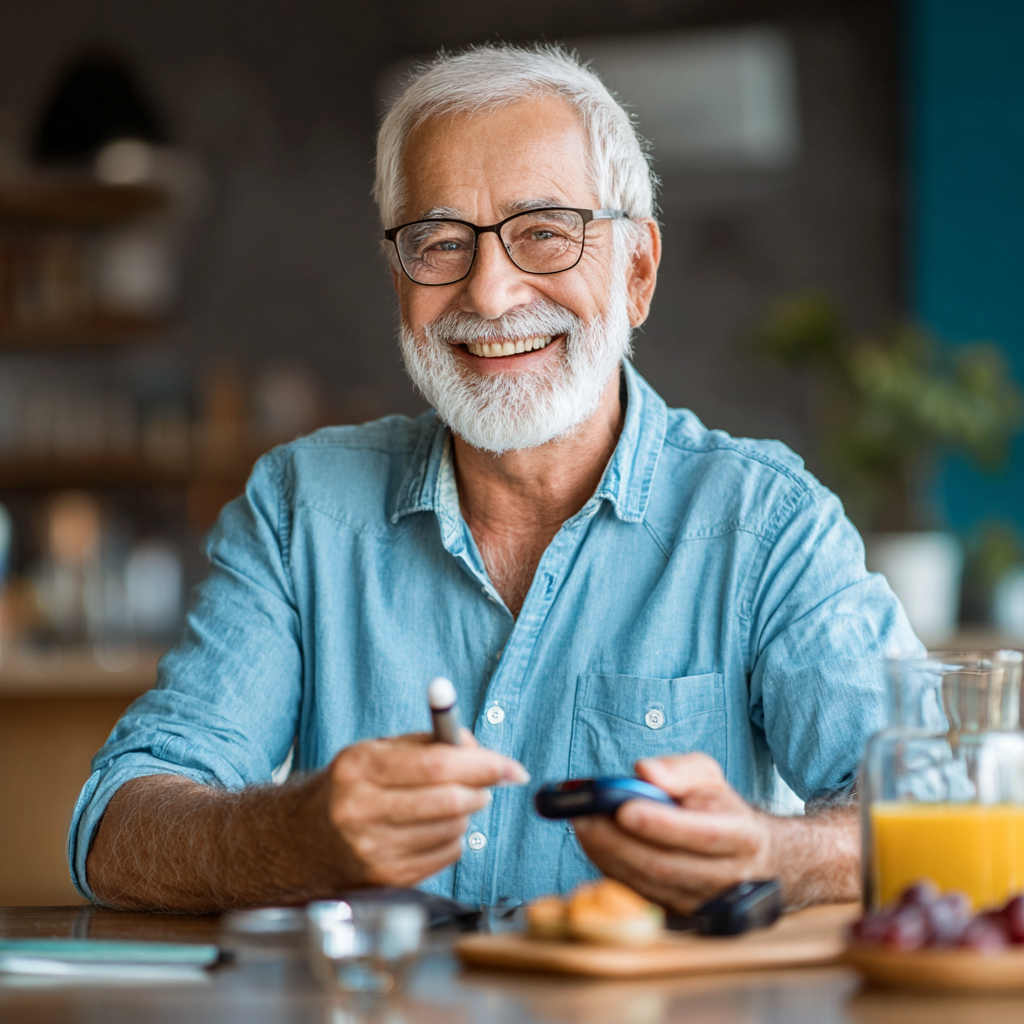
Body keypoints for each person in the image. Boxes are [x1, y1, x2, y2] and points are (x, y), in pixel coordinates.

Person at [71, 44, 918, 914]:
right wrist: (297, 836)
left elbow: (943, 810)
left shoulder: (766, 523)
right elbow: (115, 831)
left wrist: (770, 853)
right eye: (438, 242)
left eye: (545, 232)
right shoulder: (300, 509)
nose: (490, 293)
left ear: (637, 270)